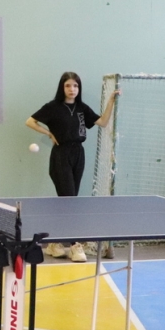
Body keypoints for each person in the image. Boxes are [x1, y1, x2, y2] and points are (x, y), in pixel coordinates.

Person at [25, 72, 119, 262]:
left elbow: (102, 122)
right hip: (61, 155)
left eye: (75, 86)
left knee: (67, 201)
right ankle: (75, 245)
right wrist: (49, 133)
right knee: (70, 201)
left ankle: (54, 243)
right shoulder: (53, 107)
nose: (72, 89)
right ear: (62, 87)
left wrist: (110, 102)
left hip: (78, 154)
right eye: (68, 85)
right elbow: (30, 121)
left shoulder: (82, 108)